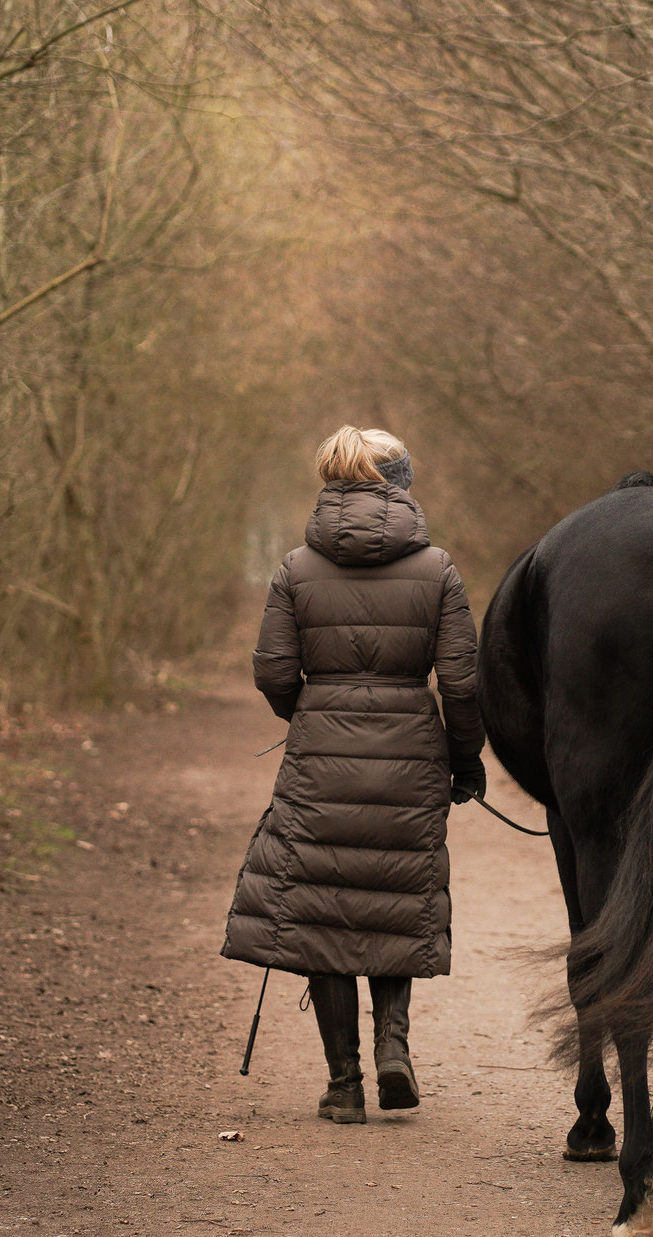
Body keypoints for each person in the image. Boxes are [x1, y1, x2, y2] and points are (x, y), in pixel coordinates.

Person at [221, 426, 487, 1124]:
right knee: (393, 892)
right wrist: (465, 761)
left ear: (330, 483)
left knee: (325, 905)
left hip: (321, 751)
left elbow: (273, 669)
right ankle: (393, 1045)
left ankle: (345, 1083)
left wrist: (307, 712)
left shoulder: (294, 568)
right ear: (400, 482)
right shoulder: (438, 569)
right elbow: (461, 681)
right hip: (412, 750)